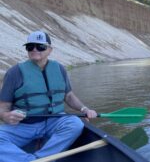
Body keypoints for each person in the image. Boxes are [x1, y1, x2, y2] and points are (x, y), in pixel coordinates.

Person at [0, 30, 97, 162]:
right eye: (30, 46)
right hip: (25, 125)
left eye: (40, 46)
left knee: (75, 123)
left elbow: (68, 96)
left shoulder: (60, 69)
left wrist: (84, 109)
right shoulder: (14, 73)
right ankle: (28, 160)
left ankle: (41, 158)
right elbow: (3, 106)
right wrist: (6, 116)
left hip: (54, 120)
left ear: (50, 50)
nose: (34, 49)